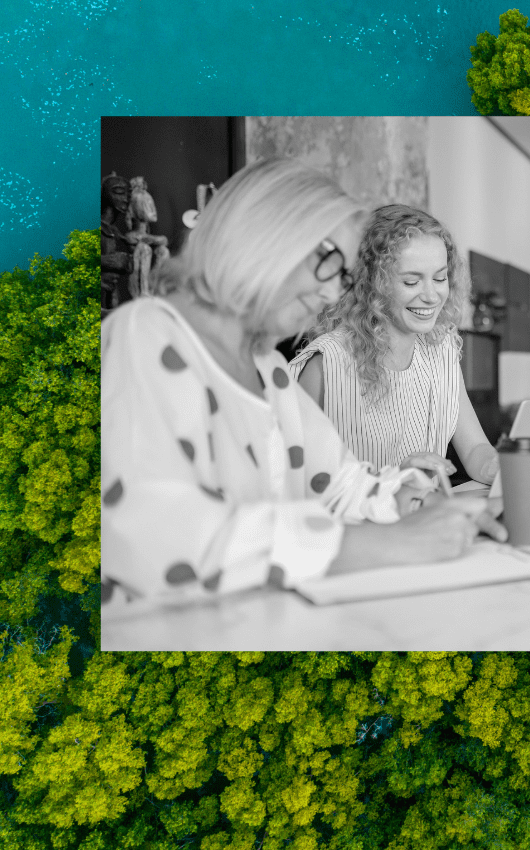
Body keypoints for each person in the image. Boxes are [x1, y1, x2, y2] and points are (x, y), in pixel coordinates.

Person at [100, 159, 502, 609]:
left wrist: (408, 497)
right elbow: (156, 533)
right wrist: (385, 544)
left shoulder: (269, 369)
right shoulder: (146, 333)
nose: (332, 294)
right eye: (328, 263)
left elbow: (340, 483)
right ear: (267, 237)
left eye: (344, 276)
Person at [290, 204, 499, 485]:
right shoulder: (326, 363)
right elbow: (296, 484)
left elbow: (474, 448)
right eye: (412, 281)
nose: (431, 295)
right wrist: (390, 484)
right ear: (372, 283)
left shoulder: (443, 349)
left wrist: (503, 469)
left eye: (440, 278)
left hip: (427, 523)